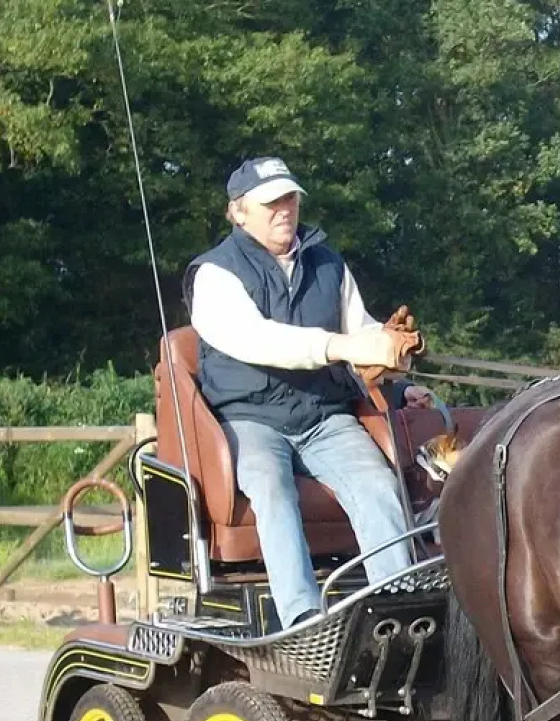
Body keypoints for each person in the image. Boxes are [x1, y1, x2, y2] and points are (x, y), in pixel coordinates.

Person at [183, 156, 426, 629]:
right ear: (238, 212)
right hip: (248, 419)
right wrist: (342, 345)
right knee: (272, 490)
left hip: (321, 415)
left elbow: (363, 332)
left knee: (378, 485)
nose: (284, 209)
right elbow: (259, 339)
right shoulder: (214, 274)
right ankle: (304, 619)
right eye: (270, 201)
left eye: (289, 198)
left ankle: (400, 610)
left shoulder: (327, 263)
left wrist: (397, 367)